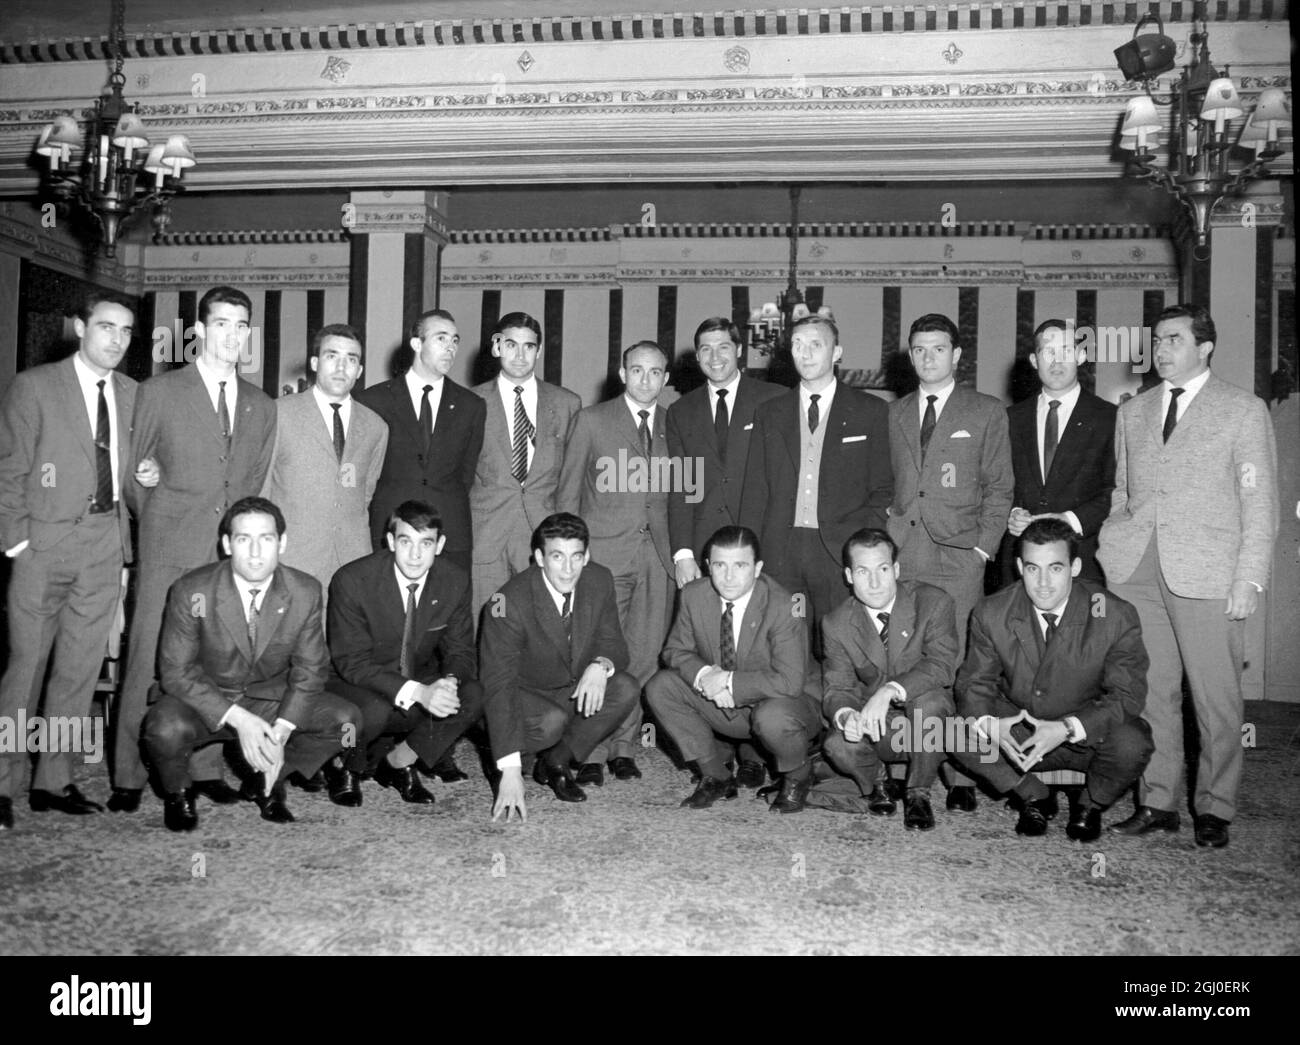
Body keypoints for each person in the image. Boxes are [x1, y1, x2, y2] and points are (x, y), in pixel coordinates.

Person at [1099, 304, 1278, 849]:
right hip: (1137, 570)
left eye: (1173, 339)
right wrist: (1112, 542)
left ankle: (1215, 808)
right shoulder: (1133, 411)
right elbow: (1124, 492)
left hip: (1207, 573)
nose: (1160, 349)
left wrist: (1249, 578)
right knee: (1152, 693)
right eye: (1156, 340)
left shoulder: (1242, 411)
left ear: (1205, 347)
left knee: (1216, 698)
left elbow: (1259, 502)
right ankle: (1158, 802)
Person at [114, 285, 277, 814]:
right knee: (147, 658)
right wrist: (162, 514)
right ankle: (128, 776)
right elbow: (134, 475)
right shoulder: (158, 392)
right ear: (200, 331)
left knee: (216, 662)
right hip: (169, 544)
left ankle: (204, 770)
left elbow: (253, 484)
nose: (232, 335)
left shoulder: (260, 402)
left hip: (226, 556)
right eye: (222, 324)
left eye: (241, 326)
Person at [0, 292, 138, 830]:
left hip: (105, 548)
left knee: (78, 673)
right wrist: (17, 543)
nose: (116, 340)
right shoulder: (35, 386)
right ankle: (4, 782)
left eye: (126, 331)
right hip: (43, 548)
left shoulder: (131, 392)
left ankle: (51, 782)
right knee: (25, 670)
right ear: (80, 327)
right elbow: (10, 469)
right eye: (106, 327)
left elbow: (129, 467)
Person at [141, 497, 361, 831]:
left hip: (267, 700)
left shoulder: (305, 591)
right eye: (244, 539)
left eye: (266, 539)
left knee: (348, 723)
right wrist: (239, 720)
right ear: (227, 544)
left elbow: (311, 668)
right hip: (205, 700)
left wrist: (283, 730)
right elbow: (175, 672)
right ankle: (178, 793)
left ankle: (270, 778)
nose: (256, 552)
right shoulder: (192, 591)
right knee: (162, 729)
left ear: (282, 543)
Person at [952, 518, 1153, 841]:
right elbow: (974, 685)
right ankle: (1033, 795)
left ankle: (1090, 805)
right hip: (1020, 734)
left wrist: (1067, 728)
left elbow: (1128, 695)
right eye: (1033, 569)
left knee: (1133, 742)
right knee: (951, 730)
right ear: (1019, 567)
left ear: (1075, 567)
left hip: (1083, 736)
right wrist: (991, 725)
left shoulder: (1115, 614)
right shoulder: (992, 612)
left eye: (1055, 568)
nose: (1043, 583)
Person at [886, 312, 1013, 813]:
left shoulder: (985, 411)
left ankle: (960, 771)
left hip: (958, 555)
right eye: (918, 349)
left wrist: (983, 547)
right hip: (905, 554)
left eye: (937, 349)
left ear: (957, 355)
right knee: (904, 658)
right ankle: (905, 766)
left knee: (957, 662)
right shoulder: (894, 413)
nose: (927, 358)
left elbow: (1000, 488)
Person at [666, 317, 785, 788]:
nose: (715, 357)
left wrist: (771, 548)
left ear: (740, 350)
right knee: (710, 641)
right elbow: (679, 487)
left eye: (723, 347)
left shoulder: (772, 399)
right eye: (705, 350)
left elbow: (782, 478)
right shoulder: (681, 411)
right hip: (703, 544)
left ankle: (754, 751)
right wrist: (681, 552)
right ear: (696, 358)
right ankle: (714, 752)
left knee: (754, 645)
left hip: (757, 543)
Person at [555, 341, 674, 784]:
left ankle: (624, 746)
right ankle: (590, 748)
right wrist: (569, 557)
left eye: (656, 372)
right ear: (622, 373)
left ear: (665, 378)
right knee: (600, 652)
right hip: (603, 555)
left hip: (655, 558)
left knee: (643, 654)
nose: (646, 380)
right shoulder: (591, 420)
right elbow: (567, 494)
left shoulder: (672, 423)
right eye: (638, 371)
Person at [740, 313, 893, 645]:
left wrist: (863, 541)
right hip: (781, 549)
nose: (804, 353)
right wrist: (753, 550)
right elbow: (755, 490)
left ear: (837, 353)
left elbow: (883, 488)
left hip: (841, 550)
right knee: (786, 642)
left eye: (815, 344)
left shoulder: (870, 410)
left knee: (841, 644)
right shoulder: (770, 412)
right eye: (797, 344)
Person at [479, 513, 640, 821]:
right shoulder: (506, 602)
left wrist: (600, 664)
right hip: (522, 696)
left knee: (625, 687)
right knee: (549, 722)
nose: (568, 570)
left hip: (568, 688)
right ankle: (504, 758)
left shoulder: (599, 579)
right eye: (557, 557)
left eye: (576, 557)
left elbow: (615, 644)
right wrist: (510, 771)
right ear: (539, 557)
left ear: (587, 556)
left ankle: (555, 761)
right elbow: (498, 686)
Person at [647, 525, 818, 813]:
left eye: (740, 565)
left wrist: (729, 682)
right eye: (719, 565)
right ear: (707, 566)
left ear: (757, 567)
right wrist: (706, 676)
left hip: (787, 707)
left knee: (773, 717)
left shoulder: (783, 605)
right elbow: (675, 651)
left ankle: (799, 777)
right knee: (660, 687)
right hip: (729, 708)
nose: (728, 577)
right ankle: (716, 776)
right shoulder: (693, 595)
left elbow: (789, 682)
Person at [325, 501, 484, 806]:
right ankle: (347, 768)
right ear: (389, 541)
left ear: (440, 546)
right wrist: (419, 693)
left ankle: (398, 763)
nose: (415, 555)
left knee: (472, 693)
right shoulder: (352, 580)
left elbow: (461, 649)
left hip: (411, 673)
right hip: (355, 680)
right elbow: (353, 663)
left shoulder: (455, 580)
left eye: (425, 543)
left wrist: (448, 682)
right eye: (405, 541)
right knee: (372, 710)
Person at [821, 528, 959, 830]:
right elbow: (838, 687)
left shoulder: (932, 602)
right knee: (837, 745)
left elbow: (942, 665)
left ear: (896, 569)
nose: (874, 582)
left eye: (882, 569)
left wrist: (887, 691)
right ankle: (878, 782)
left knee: (931, 701)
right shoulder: (836, 623)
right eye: (862, 571)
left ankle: (918, 792)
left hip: (931, 729)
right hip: (881, 729)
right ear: (848, 575)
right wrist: (846, 716)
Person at [260, 323, 388, 613]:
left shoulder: (376, 427)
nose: (342, 366)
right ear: (315, 363)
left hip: (351, 561)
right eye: (332, 356)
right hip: (292, 558)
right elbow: (263, 490)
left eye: (351, 359)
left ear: (359, 370)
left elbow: (364, 494)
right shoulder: (279, 414)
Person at [469, 311, 580, 624]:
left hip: (542, 532)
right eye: (511, 345)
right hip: (487, 534)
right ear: (496, 347)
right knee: (492, 619)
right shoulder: (470, 402)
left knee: (541, 623)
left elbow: (572, 478)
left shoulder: (566, 404)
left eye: (529, 347)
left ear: (539, 350)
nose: (520, 355)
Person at [355, 308, 486, 572]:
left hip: (449, 532)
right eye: (441, 338)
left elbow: (466, 474)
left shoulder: (471, 405)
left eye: (455, 340)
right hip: (390, 530)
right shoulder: (374, 401)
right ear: (417, 343)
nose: (450, 347)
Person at [1004, 319, 1116, 583]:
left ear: (1081, 356)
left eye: (1066, 351)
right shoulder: (1009, 418)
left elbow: (1117, 490)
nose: (1057, 361)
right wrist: (1011, 513)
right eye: (1048, 352)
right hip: (1021, 563)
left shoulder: (1109, 418)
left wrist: (1069, 519)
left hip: (1083, 558)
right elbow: (996, 484)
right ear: (1034, 360)